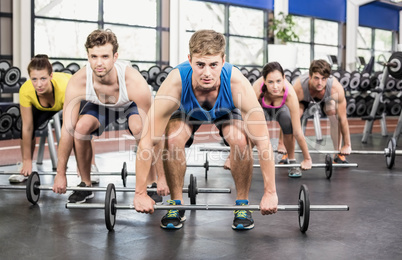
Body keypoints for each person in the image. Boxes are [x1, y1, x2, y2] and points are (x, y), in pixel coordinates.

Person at [133, 29, 278, 230]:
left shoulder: (237, 84)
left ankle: (242, 205)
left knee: (241, 140)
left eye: (213, 65)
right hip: (187, 111)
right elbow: (148, 141)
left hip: (225, 110)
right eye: (200, 64)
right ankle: (176, 204)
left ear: (223, 60)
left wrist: (270, 192)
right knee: (173, 139)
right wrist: (140, 193)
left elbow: (263, 141)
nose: (207, 73)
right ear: (190, 60)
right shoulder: (175, 83)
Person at [52, 29, 168, 203]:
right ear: (88, 57)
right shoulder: (78, 82)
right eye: (94, 57)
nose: (99, 63)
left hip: (129, 104)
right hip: (100, 105)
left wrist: (162, 177)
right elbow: (67, 129)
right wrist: (60, 174)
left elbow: (154, 132)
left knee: (141, 129)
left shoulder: (133, 81)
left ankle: (150, 182)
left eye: (105, 57)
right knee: (80, 127)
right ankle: (85, 183)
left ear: (115, 57)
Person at [9, 55, 99, 183]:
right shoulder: (26, 90)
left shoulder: (67, 87)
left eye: (43, 79)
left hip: (72, 96)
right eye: (34, 79)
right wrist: (27, 160)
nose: (38, 84)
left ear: (51, 76)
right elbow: (27, 127)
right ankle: (25, 166)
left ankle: (90, 165)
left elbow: (69, 128)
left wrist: (81, 164)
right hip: (46, 106)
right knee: (25, 125)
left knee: (81, 128)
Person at [225, 62, 312, 177]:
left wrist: (307, 158)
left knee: (288, 123)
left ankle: (292, 161)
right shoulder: (256, 88)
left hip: (281, 110)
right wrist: (231, 156)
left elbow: (297, 131)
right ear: (264, 80)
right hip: (260, 109)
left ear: (284, 78)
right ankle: (238, 157)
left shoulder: (290, 94)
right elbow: (244, 120)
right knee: (251, 129)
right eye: (270, 82)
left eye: (278, 81)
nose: (275, 86)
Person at [283, 59, 352, 162]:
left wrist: (347, 144)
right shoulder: (298, 88)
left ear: (328, 78)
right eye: (316, 78)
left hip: (326, 98)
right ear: (310, 76)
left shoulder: (336, 88)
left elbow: (343, 118)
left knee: (333, 113)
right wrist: (281, 144)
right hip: (304, 100)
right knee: (293, 116)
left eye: (324, 78)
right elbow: (286, 117)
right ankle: (288, 153)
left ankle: (338, 154)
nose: (320, 83)